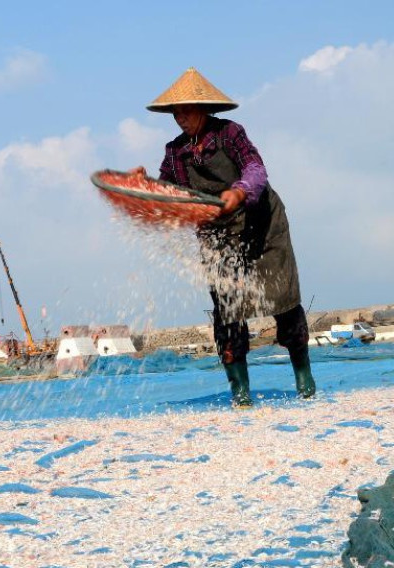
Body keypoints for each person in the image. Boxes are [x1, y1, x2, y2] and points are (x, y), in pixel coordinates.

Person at [133, 68, 315, 407]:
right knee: (228, 311)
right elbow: (169, 193)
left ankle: (304, 377)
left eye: (186, 110)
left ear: (203, 108)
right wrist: (145, 186)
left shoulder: (230, 133)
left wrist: (240, 191)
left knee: (284, 302)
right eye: (176, 112)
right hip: (220, 238)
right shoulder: (175, 152)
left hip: (263, 227)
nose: (180, 117)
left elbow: (256, 169)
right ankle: (240, 392)